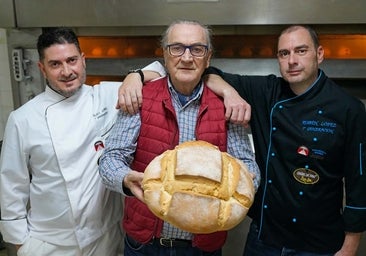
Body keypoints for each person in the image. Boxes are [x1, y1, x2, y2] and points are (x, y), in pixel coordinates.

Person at [119, 25, 366, 256]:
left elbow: (359, 179)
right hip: (265, 235)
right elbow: (202, 70)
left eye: (301, 51)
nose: (292, 61)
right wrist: (137, 75)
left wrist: (351, 243)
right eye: (284, 53)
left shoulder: (349, 109)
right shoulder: (266, 91)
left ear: (319, 54)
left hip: (319, 240)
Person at [98, 20, 260, 256]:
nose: (186, 57)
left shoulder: (226, 106)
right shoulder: (140, 97)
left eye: (197, 49)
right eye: (177, 48)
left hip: (203, 248)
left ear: (208, 57)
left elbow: (247, 164)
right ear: (165, 55)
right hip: (145, 244)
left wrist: (246, 184)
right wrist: (125, 179)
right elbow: (110, 158)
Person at [0, 27, 123, 256]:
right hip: (50, 244)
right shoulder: (23, 119)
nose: (67, 71)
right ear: (42, 69)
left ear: (83, 61)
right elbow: (11, 187)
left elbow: (158, 74)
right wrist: (22, 246)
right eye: (55, 64)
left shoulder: (106, 96)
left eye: (72, 60)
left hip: (105, 239)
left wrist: (137, 76)